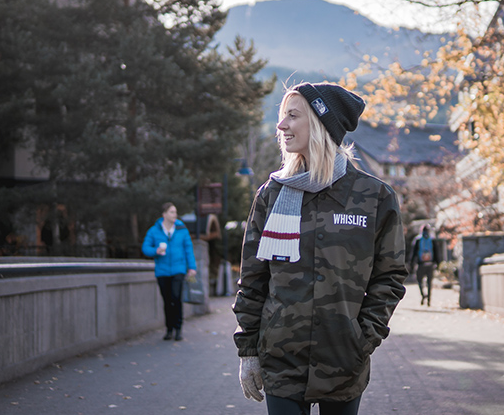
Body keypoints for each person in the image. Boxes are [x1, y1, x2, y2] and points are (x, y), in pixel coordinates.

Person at [233, 82, 408, 415]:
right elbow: (253, 279)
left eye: (292, 116)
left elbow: (390, 277)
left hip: (343, 360)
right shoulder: (271, 194)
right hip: (281, 359)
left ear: (321, 124)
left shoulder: (374, 197)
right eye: (281, 117)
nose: (281, 125)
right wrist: (249, 352)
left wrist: (362, 339)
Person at [142, 202, 197, 341]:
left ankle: (178, 329)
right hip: (162, 271)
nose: (175, 215)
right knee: (167, 300)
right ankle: (169, 329)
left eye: (175, 212)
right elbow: (145, 248)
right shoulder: (154, 231)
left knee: (176, 298)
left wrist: (192, 267)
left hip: (178, 269)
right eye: (172, 212)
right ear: (164, 214)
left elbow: (188, 250)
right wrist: (156, 251)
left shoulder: (182, 229)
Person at [409, 225, 441, 306]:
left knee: (420, 281)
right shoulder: (432, 240)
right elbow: (437, 252)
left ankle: (424, 295)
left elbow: (413, 253)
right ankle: (429, 299)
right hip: (430, 264)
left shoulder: (418, 240)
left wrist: (412, 263)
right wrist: (438, 263)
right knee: (429, 283)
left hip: (421, 264)